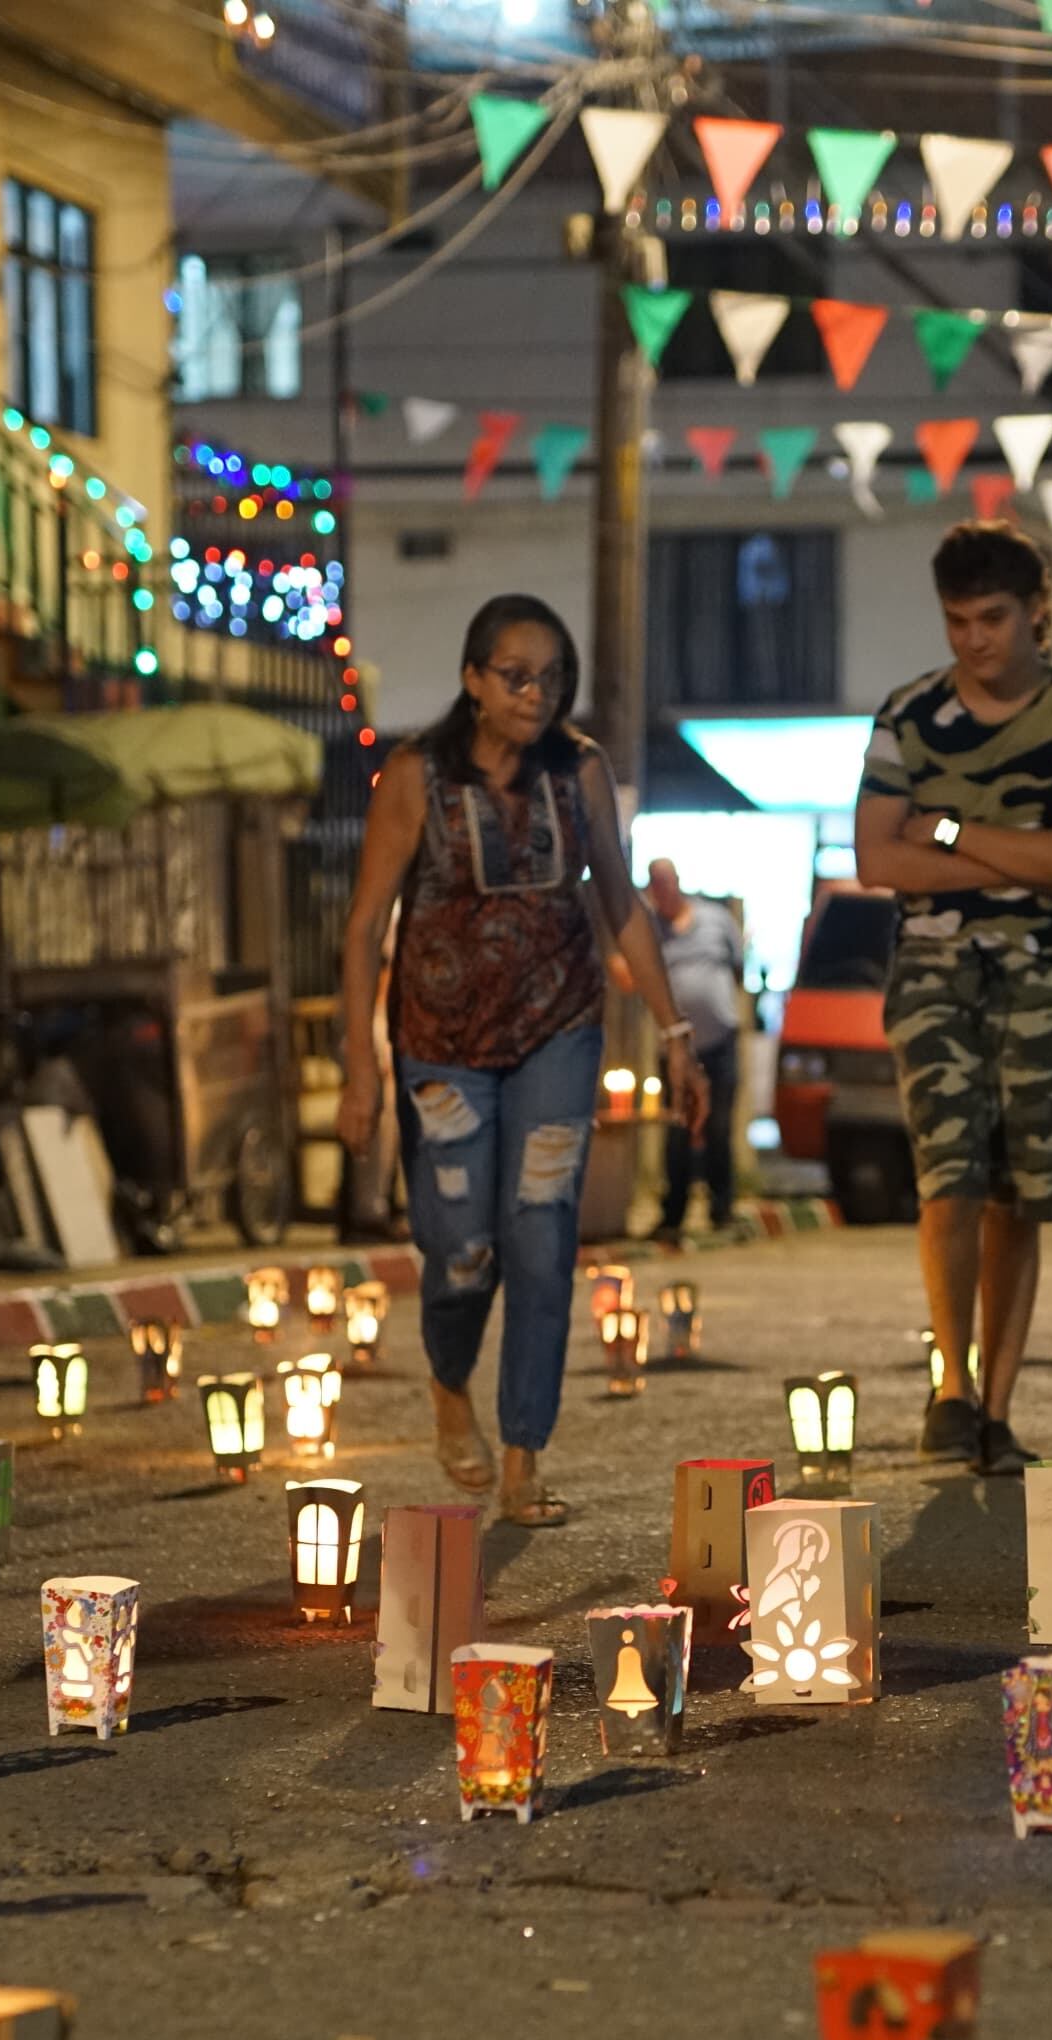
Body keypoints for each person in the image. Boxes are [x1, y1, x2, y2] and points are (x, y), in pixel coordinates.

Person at [337, 594, 708, 1528]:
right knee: (461, 1247)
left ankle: (521, 1456)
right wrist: (359, 1067)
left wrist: (673, 1035)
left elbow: (620, 902)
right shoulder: (417, 777)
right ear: (472, 679)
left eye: (551, 677)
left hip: (559, 1029)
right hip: (441, 1046)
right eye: (515, 675)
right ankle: (450, 1383)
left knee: (542, 1241)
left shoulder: (577, 771)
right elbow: (364, 926)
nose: (535, 693)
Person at [853, 521, 1052, 1477]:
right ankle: (953, 1392)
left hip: (1043, 976)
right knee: (947, 1180)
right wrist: (1009, 849)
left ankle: (997, 1410)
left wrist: (951, 826)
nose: (974, 639)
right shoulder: (909, 714)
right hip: (932, 970)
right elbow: (875, 856)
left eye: (993, 618)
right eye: (958, 620)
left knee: (1024, 1192)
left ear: (1036, 609)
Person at [645, 856, 747, 1240]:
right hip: (676, 1047)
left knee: (719, 1125)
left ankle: (722, 1210)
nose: (663, 891)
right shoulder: (651, 928)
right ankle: (674, 1214)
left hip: (719, 1041)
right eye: (656, 885)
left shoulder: (715, 920)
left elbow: (738, 968)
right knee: (678, 1128)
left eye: (667, 882)